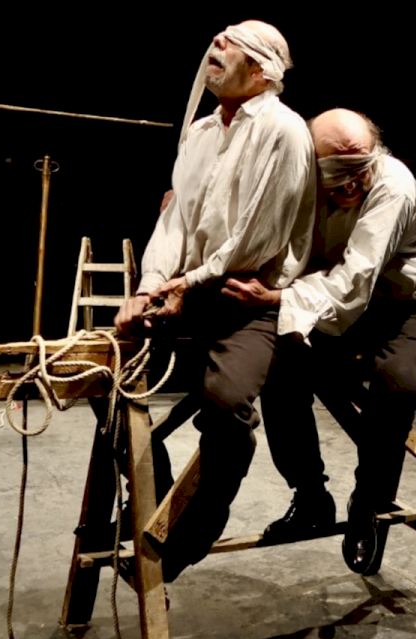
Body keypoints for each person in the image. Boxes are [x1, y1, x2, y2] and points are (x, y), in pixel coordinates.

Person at [114, 19, 316, 582]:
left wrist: (185, 284)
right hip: (190, 289)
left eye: (233, 42)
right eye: (218, 37)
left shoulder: (284, 131)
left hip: (248, 298)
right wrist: (151, 286)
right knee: (107, 370)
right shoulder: (201, 132)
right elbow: (176, 220)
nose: (217, 44)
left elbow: (256, 239)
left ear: (262, 70)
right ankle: (150, 492)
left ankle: (192, 530)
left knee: (225, 404)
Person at [221, 108, 416, 574]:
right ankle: (310, 495)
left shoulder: (393, 185)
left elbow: (356, 279)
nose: (352, 182)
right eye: (337, 171)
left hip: (410, 303)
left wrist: (278, 297)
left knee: (396, 379)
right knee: (281, 365)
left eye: (360, 167)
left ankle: (370, 502)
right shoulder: (300, 181)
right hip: (337, 300)